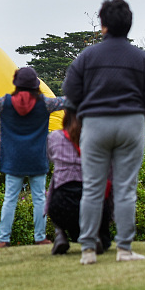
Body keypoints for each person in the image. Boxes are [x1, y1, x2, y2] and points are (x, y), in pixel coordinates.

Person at [64, 0, 145, 265]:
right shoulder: (141, 58)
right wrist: (135, 104)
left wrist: (88, 103)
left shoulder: (87, 57)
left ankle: (87, 250)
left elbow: (71, 91)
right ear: (129, 26)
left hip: (95, 125)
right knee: (125, 189)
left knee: (93, 188)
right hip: (130, 123)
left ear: (103, 25)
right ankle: (124, 249)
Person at [0, 67, 65, 247]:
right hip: (37, 159)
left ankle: (3, 239)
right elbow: (65, 102)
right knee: (39, 199)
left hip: (13, 160)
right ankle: (40, 237)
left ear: (17, 84)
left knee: (10, 199)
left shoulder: (5, 103)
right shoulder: (45, 104)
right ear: (36, 85)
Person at [45, 106, 113, 255]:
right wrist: (109, 212)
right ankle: (93, 236)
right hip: (92, 205)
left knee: (58, 180)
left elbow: (49, 157)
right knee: (106, 241)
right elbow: (109, 176)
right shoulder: (99, 139)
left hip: (61, 207)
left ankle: (60, 233)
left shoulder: (55, 137)